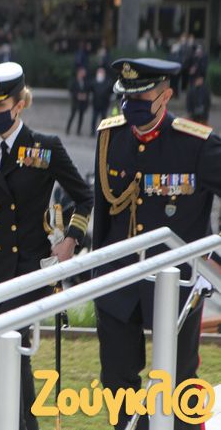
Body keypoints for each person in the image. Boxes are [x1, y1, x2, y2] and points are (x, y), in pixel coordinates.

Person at [0, 62, 93, 430]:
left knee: (1, 346)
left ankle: (18, 421)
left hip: (30, 267)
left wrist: (70, 241)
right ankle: (23, 421)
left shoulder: (45, 148)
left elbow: (84, 196)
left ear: (19, 105)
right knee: (8, 350)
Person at [93, 58, 221, 430]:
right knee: (117, 381)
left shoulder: (196, 143)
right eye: (125, 97)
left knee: (178, 384)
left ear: (165, 96)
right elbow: (104, 210)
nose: (130, 106)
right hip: (118, 282)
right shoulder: (110, 136)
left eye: (140, 98)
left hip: (175, 283)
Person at [65, 65, 90, 136]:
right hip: (75, 102)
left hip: (82, 102)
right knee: (72, 115)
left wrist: (85, 96)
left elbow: (87, 90)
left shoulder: (85, 81)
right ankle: (67, 129)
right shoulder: (74, 81)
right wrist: (77, 95)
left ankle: (78, 130)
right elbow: (71, 90)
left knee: (81, 116)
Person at [90, 66, 113, 135]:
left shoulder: (108, 81)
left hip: (104, 104)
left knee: (103, 119)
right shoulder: (94, 81)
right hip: (96, 103)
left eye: (102, 72)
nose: (100, 73)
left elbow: (110, 90)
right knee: (94, 118)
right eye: (99, 72)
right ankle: (92, 132)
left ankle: (103, 132)